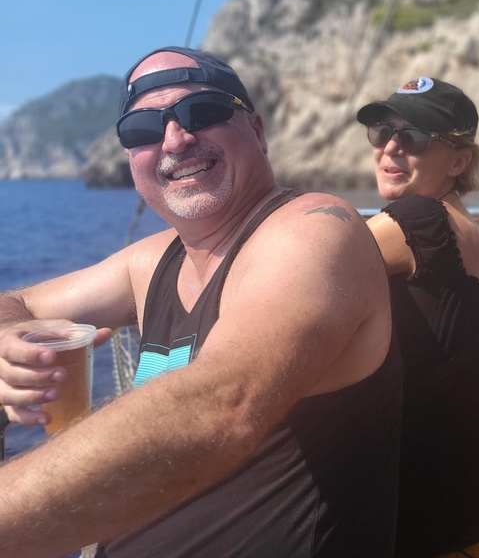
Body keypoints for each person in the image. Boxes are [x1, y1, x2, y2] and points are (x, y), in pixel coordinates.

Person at [0, 47, 402, 558]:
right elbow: (19, 302)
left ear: (256, 130)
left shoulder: (315, 228)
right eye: (142, 129)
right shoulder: (150, 262)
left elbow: (220, 408)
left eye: (203, 112)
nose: (175, 139)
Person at [357, 76, 479, 557]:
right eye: (382, 132)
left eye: (415, 137)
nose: (391, 148)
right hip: (476, 490)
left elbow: (301, 278)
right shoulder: (471, 232)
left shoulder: (417, 220)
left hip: (417, 506)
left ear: (460, 161)